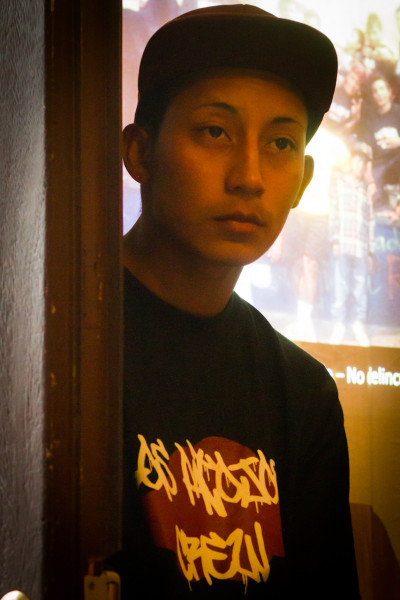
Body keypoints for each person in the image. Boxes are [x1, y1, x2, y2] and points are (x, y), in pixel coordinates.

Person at [110, 5, 360, 598]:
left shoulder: (302, 392)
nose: (250, 177)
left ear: (302, 182)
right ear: (140, 153)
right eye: (215, 132)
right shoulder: (53, 340)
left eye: (280, 143)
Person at [329, 146, 375, 346]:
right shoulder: (340, 184)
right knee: (340, 286)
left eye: (363, 162)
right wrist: (335, 240)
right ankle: (339, 324)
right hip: (343, 243)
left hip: (360, 247)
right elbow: (334, 212)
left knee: (359, 287)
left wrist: (370, 250)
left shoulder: (365, 191)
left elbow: (370, 220)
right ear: (351, 162)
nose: (359, 165)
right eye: (357, 160)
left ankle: (358, 324)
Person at [357, 74, 400, 210]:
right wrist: (370, 180)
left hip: (396, 162)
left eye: (382, 89)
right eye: (375, 91)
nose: (379, 94)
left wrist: (398, 142)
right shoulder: (371, 117)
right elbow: (368, 150)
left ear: (389, 91)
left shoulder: (398, 112)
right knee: (370, 199)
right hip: (379, 165)